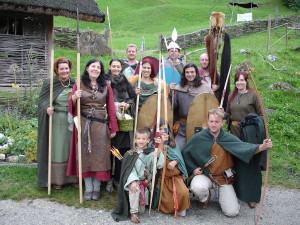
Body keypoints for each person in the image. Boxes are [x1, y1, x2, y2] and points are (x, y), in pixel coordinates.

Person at [182, 109, 272, 217]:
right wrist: (193, 168)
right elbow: (186, 154)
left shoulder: (228, 138)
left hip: (223, 178)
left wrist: (262, 147)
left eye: (216, 122)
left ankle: (224, 193)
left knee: (232, 212)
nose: (213, 124)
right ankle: (204, 198)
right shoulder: (199, 137)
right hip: (205, 175)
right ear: (207, 121)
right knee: (197, 187)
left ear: (222, 123)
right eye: (211, 121)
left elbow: (245, 149)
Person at [67, 58, 118, 201]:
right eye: (93, 66)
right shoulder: (79, 84)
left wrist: (113, 127)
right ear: (87, 68)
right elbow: (71, 108)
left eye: (98, 67)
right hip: (83, 124)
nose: (96, 69)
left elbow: (111, 108)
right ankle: (88, 188)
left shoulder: (106, 86)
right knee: (85, 156)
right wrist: (74, 98)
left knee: (100, 156)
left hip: (101, 125)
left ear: (101, 71)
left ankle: (96, 188)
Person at [225, 71, 266, 208]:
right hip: (234, 133)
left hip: (249, 134)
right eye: (237, 80)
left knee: (250, 164)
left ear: (246, 81)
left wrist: (251, 123)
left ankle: (251, 196)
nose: (239, 82)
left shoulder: (253, 95)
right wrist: (221, 112)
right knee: (237, 164)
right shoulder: (232, 96)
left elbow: (262, 116)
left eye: (242, 80)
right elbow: (228, 114)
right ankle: (239, 192)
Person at [37, 57, 78, 189]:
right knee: (58, 149)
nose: (64, 71)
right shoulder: (50, 83)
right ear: (57, 70)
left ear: (70, 69)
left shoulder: (75, 83)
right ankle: (57, 180)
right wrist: (46, 108)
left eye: (66, 68)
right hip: (56, 120)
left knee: (72, 149)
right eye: (62, 69)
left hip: (72, 120)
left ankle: (73, 178)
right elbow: (41, 101)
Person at [111, 127, 165, 223]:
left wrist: (160, 145)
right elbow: (128, 170)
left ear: (148, 140)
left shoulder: (150, 153)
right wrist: (132, 181)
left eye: (144, 139)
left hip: (145, 182)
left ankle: (138, 208)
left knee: (142, 210)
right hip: (133, 180)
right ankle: (133, 213)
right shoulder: (129, 154)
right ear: (135, 140)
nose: (141, 141)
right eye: (139, 138)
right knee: (135, 188)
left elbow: (157, 162)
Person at [105, 59, 136, 192]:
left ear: (121, 68)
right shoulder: (104, 81)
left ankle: (118, 177)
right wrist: (116, 105)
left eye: (118, 66)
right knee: (109, 150)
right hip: (109, 122)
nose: (116, 68)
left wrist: (128, 104)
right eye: (114, 66)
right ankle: (108, 179)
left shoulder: (125, 81)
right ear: (109, 67)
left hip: (122, 125)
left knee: (119, 152)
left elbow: (132, 99)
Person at [170, 63, 213, 151]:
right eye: (187, 72)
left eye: (192, 72)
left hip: (199, 126)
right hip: (183, 128)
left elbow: (211, 105)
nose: (190, 74)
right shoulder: (179, 88)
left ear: (196, 73)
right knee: (177, 150)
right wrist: (171, 93)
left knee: (197, 151)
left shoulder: (205, 88)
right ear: (184, 74)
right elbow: (173, 106)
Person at [153, 119, 190, 217]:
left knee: (183, 191)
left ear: (168, 130)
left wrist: (175, 161)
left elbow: (179, 157)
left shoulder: (173, 143)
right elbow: (156, 158)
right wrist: (161, 143)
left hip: (174, 176)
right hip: (161, 178)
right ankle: (170, 208)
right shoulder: (153, 144)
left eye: (164, 129)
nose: (162, 131)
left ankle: (181, 207)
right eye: (159, 129)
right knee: (166, 198)